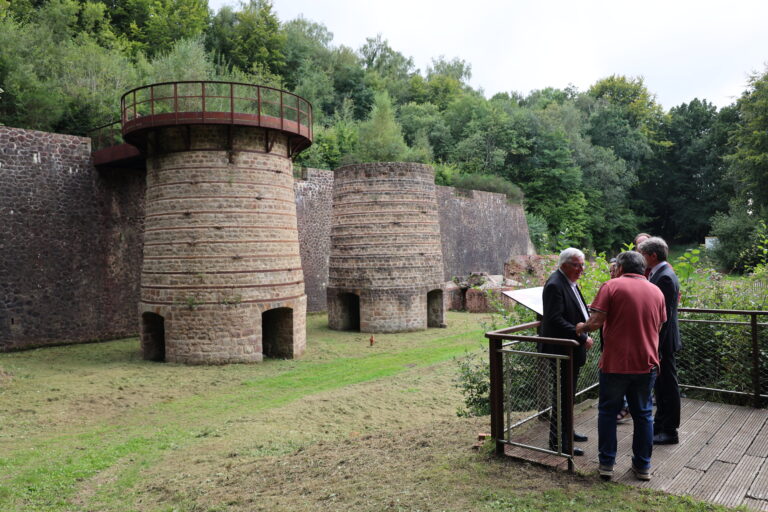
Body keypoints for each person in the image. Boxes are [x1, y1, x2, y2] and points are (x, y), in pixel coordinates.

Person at [576, 251, 666, 481]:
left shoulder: (612, 286)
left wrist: (579, 327)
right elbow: (660, 324)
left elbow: (595, 323)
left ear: (621, 268)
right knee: (644, 415)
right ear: (642, 268)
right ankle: (643, 466)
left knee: (607, 412)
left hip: (615, 363)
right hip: (646, 363)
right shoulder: (656, 290)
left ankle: (606, 464)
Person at [541, 248, 594, 456]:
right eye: (576, 265)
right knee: (562, 397)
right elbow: (554, 319)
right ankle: (558, 443)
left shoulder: (568, 280)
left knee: (568, 395)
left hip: (571, 349)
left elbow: (575, 310)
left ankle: (567, 432)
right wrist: (582, 336)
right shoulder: (555, 284)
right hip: (562, 349)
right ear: (564, 265)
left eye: (582, 265)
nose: (581, 269)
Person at [638, 236, 682, 445]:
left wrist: (655, 347)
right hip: (661, 342)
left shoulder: (664, 277)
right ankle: (661, 425)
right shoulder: (660, 273)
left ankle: (670, 431)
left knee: (667, 386)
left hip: (663, 343)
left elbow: (662, 317)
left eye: (643, 255)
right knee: (662, 387)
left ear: (652, 256)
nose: (641, 259)